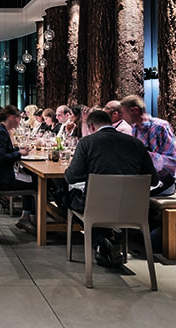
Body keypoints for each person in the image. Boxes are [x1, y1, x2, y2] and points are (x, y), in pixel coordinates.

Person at [63, 109, 158, 267]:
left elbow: (72, 177)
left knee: (68, 196)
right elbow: (153, 180)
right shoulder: (136, 143)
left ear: (91, 126)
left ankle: (102, 242)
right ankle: (105, 243)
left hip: (97, 207)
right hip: (133, 209)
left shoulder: (87, 143)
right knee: (94, 202)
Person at [0, 105, 37, 231]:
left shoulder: (0, 131)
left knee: (31, 176)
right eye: (18, 118)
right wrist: (19, 154)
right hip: (3, 179)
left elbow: (3, 152)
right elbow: (1, 158)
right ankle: (33, 219)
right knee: (38, 183)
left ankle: (26, 216)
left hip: (0, 175)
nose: (20, 121)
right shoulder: (1, 133)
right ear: (11, 117)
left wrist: (17, 150)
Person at [120, 95, 176, 196]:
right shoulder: (135, 129)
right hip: (144, 180)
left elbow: (173, 161)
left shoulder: (160, 127)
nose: (122, 117)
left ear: (134, 110)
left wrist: (144, 156)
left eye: (124, 113)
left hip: (163, 182)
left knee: (130, 195)